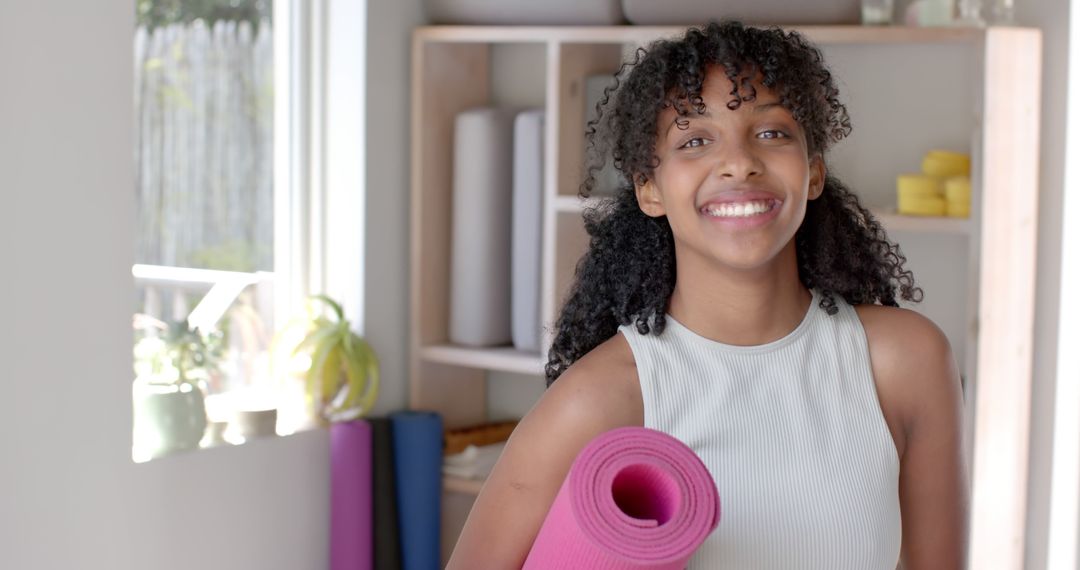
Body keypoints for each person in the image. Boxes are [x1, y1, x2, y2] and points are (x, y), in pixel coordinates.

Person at [446, 20, 967, 569]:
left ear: (813, 172)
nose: (739, 162)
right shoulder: (600, 398)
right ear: (650, 188)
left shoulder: (906, 363)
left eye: (771, 133)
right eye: (694, 140)